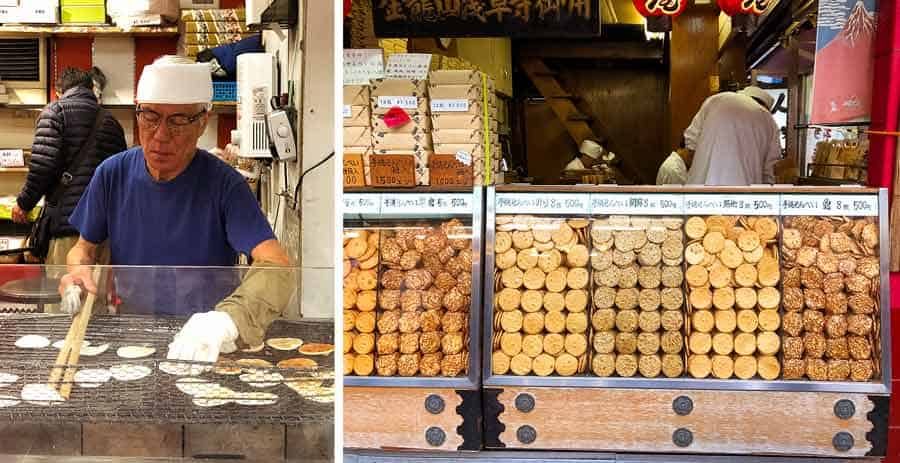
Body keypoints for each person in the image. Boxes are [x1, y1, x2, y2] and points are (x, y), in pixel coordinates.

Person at [59, 55, 295, 365]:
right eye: (150, 117)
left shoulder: (225, 184)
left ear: (202, 123)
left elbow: (277, 265)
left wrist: (227, 321)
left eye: (179, 120)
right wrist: (78, 272)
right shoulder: (111, 174)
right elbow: (82, 249)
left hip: (207, 341)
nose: (160, 135)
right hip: (134, 332)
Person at [12, 67, 126, 271]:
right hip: (105, 230)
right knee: (96, 297)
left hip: (67, 227)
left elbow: (42, 166)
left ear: (59, 91)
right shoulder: (112, 122)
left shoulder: (55, 112)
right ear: (92, 88)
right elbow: (121, 177)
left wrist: (24, 203)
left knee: (64, 296)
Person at [683, 86, 782, 185]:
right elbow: (770, 172)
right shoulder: (769, 121)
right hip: (744, 193)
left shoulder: (716, 100)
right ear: (765, 107)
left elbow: (690, 142)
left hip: (700, 190)